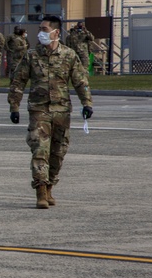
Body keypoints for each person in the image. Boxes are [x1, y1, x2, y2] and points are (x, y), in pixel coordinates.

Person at [8, 15, 92, 209]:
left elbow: (81, 81)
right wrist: (14, 106)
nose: (41, 33)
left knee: (58, 151)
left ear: (55, 32)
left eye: (44, 30)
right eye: (40, 29)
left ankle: (50, 186)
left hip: (62, 111)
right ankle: (41, 191)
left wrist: (87, 103)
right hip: (39, 109)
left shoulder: (69, 55)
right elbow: (18, 81)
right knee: (40, 150)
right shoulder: (31, 55)